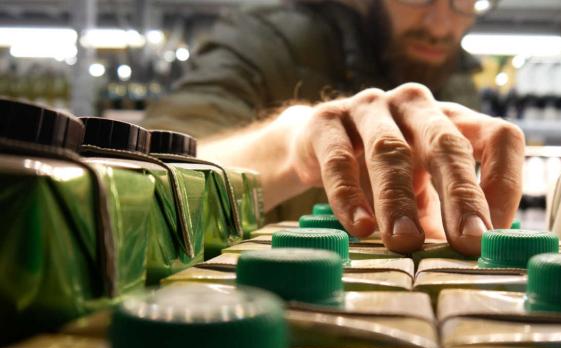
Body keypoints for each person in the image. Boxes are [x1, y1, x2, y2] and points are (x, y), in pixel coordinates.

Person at [143, 0, 525, 256]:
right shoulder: (267, 40)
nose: (442, 25)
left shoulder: (453, 76)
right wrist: (292, 147)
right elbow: (148, 179)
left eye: (466, 2)